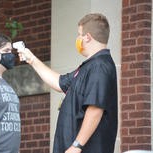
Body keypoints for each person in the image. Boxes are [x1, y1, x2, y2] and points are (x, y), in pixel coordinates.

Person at [17, 13, 118, 153]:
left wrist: (77, 145)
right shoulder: (89, 67)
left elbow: (95, 109)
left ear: (87, 37)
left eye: (79, 34)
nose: (78, 39)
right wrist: (32, 59)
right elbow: (59, 83)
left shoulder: (99, 67)